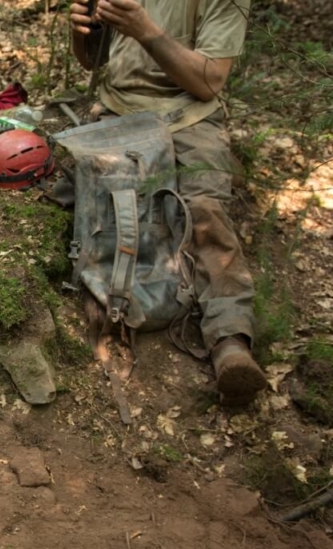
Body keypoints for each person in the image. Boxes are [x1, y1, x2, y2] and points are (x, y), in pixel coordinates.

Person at [69, 0, 267, 406]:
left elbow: (210, 82)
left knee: (204, 211)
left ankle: (230, 342)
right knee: (106, 212)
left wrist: (147, 30)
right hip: (119, 108)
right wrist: (83, 32)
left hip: (190, 116)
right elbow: (93, 61)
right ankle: (112, 315)